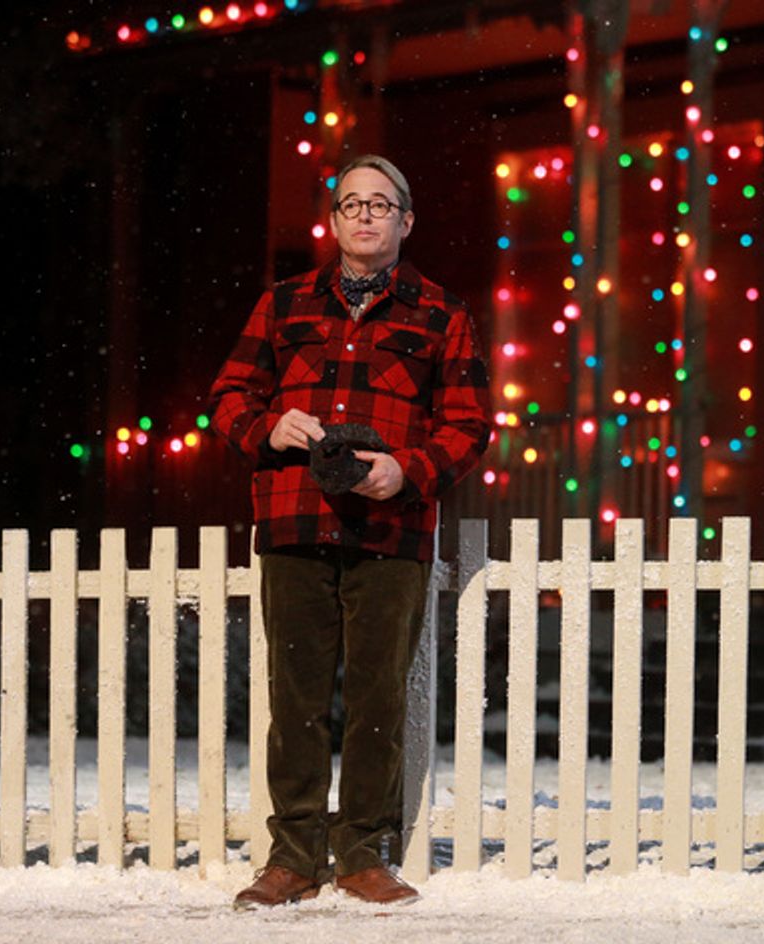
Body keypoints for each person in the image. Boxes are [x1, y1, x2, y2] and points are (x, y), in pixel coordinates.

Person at [209, 154, 491, 908]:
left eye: (381, 204)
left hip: (391, 530)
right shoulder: (284, 304)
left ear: (406, 221)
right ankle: (293, 856)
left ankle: (365, 853)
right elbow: (228, 399)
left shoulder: (441, 313)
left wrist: (409, 471)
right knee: (293, 697)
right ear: (333, 222)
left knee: (377, 696)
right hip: (295, 522)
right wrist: (270, 427)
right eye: (351, 204)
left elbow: (469, 425)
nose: (366, 215)